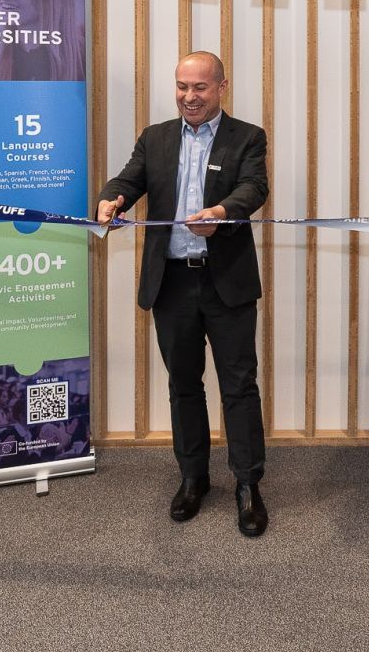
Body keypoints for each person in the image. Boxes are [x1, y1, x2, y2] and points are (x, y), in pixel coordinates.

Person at [95, 51, 270, 537]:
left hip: (226, 283)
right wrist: (112, 198)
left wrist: (222, 211)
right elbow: (128, 180)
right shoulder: (156, 138)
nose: (189, 97)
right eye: (182, 87)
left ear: (221, 87)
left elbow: (255, 189)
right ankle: (193, 478)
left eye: (200, 88)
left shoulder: (247, 137)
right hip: (171, 283)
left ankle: (247, 484)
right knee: (183, 386)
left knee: (239, 386)